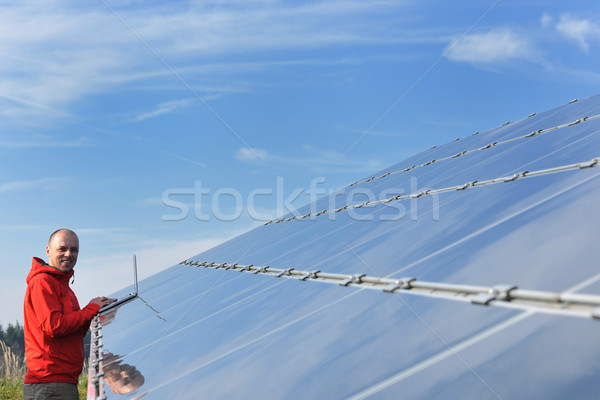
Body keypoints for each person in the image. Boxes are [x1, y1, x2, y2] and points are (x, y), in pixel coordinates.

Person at [23, 229, 116, 400]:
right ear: (48, 250)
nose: (68, 254)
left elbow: (72, 331)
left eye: (74, 250)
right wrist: (90, 310)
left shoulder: (63, 286)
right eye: (62, 249)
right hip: (49, 384)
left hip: (61, 382)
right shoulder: (42, 282)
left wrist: (96, 312)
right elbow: (54, 326)